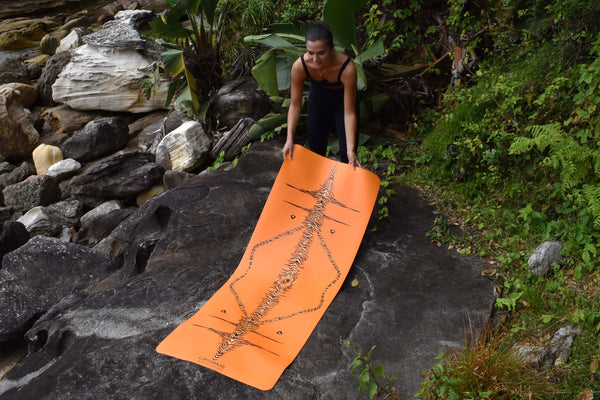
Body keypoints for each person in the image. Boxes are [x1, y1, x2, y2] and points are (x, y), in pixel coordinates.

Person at [281, 21, 361, 168]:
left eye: (321, 53)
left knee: (346, 155)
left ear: (332, 48)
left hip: (342, 101)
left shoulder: (347, 68)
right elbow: (295, 105)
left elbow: (349, 113)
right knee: (316, 151)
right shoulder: (300, 66)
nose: (315, 59)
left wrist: (351, 150)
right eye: (310, 53)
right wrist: (289, 138)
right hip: (319, 99)